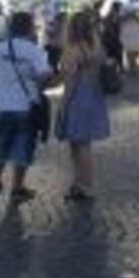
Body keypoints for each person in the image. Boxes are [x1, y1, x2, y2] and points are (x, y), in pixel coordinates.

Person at [0, 11, 53, 204]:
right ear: (29, 28)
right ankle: (17, 187)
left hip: (1, 104)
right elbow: (44, 75)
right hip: (24, 105)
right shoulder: (33, 50)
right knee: (22, 145)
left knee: (1, 142)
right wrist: (39, 80)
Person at [58, 11, 111, 201]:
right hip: (93, 96)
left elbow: (71, 80)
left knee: (80, 146)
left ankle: (85, 186)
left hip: (78, 98)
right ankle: (79, 184)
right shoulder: (96, 47)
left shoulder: (74, 49)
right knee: (81, 144)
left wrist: (64, 104)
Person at [119, 10, 139, 76]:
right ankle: (133, 68)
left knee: (130, 57)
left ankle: (132, 69)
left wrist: (123, 43)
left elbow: (122, 36)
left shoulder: (125, 25)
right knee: (134, 56)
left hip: (128, 45)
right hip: (136, 45)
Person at [101, 2, 124, 74]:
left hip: (113, 40)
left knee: (116, 57)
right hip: (111, 40)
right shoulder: (110, 17)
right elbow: (109, 28)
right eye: (119, 8)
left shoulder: (115, 16)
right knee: (113, 57)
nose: (120, 9)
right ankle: (113, 72)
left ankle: (117, 71)